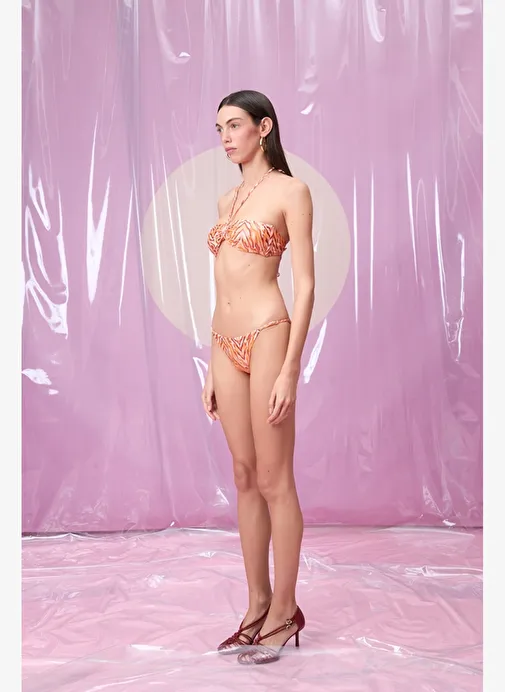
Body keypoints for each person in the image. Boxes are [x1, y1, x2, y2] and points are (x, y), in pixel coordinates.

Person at [202, 90, 315, 665]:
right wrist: (210, 363)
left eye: (235, 125)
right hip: (224, 342)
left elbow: (305, 284)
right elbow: (222, 284)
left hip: (269, 333)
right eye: (219, 128)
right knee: (244, 475)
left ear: (263, 127)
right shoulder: (227, 199)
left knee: (274, 480)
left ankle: (286, 609)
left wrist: (291, 367)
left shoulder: (291, 191)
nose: (225, 137)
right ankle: (256, 605)